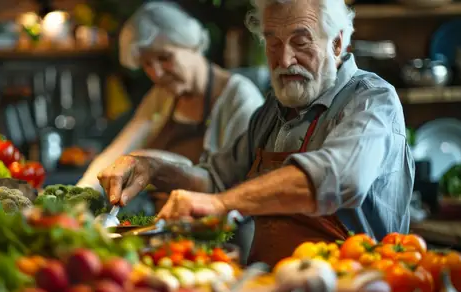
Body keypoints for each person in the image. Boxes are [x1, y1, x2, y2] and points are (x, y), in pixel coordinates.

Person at [97, 0, 415, 267]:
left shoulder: (372, 100)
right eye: (273, 42)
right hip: (268, 291)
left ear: (337, 42)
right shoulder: (271, 111)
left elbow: (340, 177)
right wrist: (152, 167)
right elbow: (216, 179)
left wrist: (221, 204)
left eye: (300, 42)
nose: (284, 58)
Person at [77, 1, 265, 211]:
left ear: (192, 44)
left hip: (215, 230)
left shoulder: (239, 97)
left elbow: (238, 185)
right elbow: (121, 148)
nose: (156, 73)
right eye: (147, 64)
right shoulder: (163, 95)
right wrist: (80, 195)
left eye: (165, 57)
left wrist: (158, 162)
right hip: (162, 223)